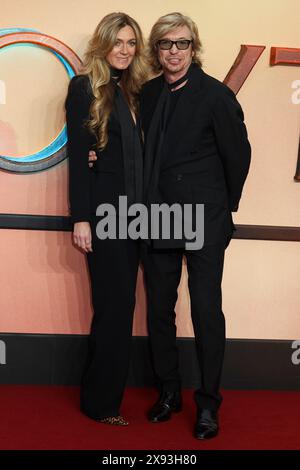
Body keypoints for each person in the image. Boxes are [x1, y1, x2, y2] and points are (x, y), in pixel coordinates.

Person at [89, 12, 251, 439]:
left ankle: (208, 405)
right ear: (156, 50)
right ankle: (169, 393)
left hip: (203, 218)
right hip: (157, 214)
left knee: (204, 311)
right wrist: (96, 156)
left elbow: (238, 158)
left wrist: (222, 210)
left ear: (193, 47)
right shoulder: (148, 91)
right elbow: (123, 142)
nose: (173, 52)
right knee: (159, 310)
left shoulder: (216, 96)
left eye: (181, 44)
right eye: (165, 44)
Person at [65, 12, 147, 425]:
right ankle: (100, 404)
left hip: (139, 216)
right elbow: (81, 159)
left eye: (132, 43)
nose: (125, 50)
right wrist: (81, 218)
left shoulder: (135, 91)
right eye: (118, 41)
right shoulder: (85, 88)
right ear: (103, 43)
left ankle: (101, 397)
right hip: (105, 214)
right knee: (114, 306)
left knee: (121, 305)